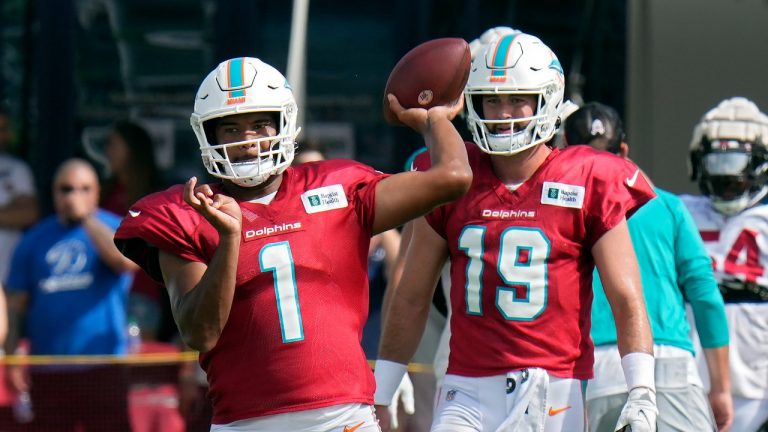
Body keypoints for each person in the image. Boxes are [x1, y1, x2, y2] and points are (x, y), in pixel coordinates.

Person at [112, 56, 472, 431]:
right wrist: (230, 239)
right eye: (231, 129)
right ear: (209, 135)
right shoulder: (185, 212)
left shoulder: (337, 188)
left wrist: (436, 121)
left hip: (342, 418)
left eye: (260, 125)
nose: (248, 141)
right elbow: (200, 332)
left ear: (284, 124)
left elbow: (454, 176)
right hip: (246, 422)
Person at [374, 32, 658, 432]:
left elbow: (626, 296)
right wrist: (384, 385)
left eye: (517, 99)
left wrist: (642, 390)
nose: (503, 112)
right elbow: (411, 294)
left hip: (553, 387)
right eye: (492, 99)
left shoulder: (588, 177)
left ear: (548, 99)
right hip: (465, 387)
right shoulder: (454, 178)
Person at [564, 102, 733, 432]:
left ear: (564, 150)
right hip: (669, 362)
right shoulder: (667, 206)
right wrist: (722, 388)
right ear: (624, 149)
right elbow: (705, 296)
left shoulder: (561, 210)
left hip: (597, 369)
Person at [4, 158, 137, 431]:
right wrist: (12, 356)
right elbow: (16, 304)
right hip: (49, 368)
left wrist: (86, 218)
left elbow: (123, 263)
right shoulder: (34, 239)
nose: (74, 196)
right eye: (66, 189)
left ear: (97, 191)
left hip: (103, 365)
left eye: (84, 189)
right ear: (53, 192)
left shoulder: (116, 227)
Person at [682, 96, 768, 432]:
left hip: (756, 370)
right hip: (691, 371)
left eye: (734, 172)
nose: (725, 182)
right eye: (716, 168)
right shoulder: (682, 211)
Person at [0, 107, 39, 284]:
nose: (4, 136)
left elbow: (29, 214)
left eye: (5, 129)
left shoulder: (15, 169)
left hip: (6, 276)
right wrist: (9, 210)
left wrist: (14, 213)